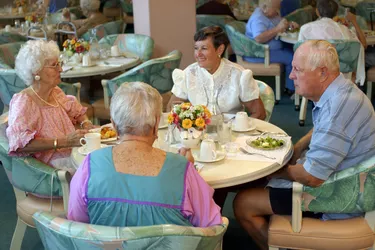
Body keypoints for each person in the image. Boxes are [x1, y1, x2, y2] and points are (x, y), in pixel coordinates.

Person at [233, 40, 375, 250]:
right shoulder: (342, 91)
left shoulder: (338, 109)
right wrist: (298, 148)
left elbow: (312, 177)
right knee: (251, 180)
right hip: (346, 180)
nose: (291, 76)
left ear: (322, 73)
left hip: (340, 195)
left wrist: (277, 172)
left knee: (243, 203)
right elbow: (321, 129)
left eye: (298, 70)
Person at [68, 82, 222, 227]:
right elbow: (212, 225)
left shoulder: (90, 165)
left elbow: (77, 226)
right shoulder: (182, 169)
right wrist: (185, 169)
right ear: (156, 124)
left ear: (114, 125)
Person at [6, 40, 93, 170]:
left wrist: (86, 124)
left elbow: (76, 111)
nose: (61, 69)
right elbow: (20, 143)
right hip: (52, 170)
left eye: (59, 64)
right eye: (54, 65)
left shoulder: (55, 92)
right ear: (36, 71)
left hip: (75, 153)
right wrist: (64, 141)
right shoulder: (24, 102)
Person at [168, 26, 266, 120]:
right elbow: (172, 109)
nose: (198, 54)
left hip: (230, 133)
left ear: (220, 49)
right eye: (196, 48)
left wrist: (240, 129)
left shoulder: (238, 75)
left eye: (204, 48)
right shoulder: (188, 74)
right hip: (198, 134)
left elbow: (259, 113)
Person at [244, 0, 299, 94]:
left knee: (292, 53)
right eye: (276, 9)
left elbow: (278, 23)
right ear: (265, 8)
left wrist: (288, 25)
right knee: (292, 58)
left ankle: (290, 85)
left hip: (268, 51)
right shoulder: (258, 18)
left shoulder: (269, 14)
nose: (278, 11)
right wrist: (277, 29)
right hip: (259, 54)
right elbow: (259, 38)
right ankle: (292, 89)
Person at [298, 0, 367, 48]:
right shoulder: (344, 30)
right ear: (336, 13)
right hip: (338, 68)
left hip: (312, 67)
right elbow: (362, 46)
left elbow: (299, 52)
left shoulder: (305, 28)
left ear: (317, 12)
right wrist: (354, 21)